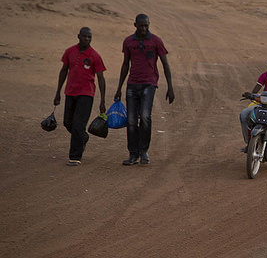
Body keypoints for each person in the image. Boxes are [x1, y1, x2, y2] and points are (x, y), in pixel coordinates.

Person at [114, 14, 175, 166]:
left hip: (149, 84)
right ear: (135, 25)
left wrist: (170, 87)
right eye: (141, 26)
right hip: (132, 84)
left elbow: (165, 64)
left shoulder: (156, 41)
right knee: (132, 120)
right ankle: (133, 154)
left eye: (146, 26)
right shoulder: (128, 41)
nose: (143, 28)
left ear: (149, 25)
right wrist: (119, 87)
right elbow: (125, 64)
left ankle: (144, 152)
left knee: (146, 117)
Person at [53, 27, 107, 166]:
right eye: (85, 37)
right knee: (67, 122)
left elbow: (101, 78)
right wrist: (58, 92)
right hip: (70, 92)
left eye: (89, 37)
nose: (87, 39)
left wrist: (102, 100)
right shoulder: (69, 52)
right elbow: (63, 71)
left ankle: (75, 157)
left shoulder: (95, 56)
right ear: (79, 36)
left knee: (78, 124)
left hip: (86, 94)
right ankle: (83, 137)